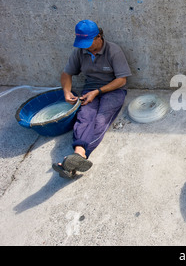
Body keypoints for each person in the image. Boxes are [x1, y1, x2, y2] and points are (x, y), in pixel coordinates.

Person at [52, 20, 132, 179]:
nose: (85, 46)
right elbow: (67, 73)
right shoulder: (79, 52)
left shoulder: (113, 51)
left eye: (88, 42)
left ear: (99, 37)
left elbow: (122, 80)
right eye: (83, 43)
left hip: (113, 90)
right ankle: (78, 158)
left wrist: (98, 91)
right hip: (89, 90)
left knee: (101, 120)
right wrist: (66, 91)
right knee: (84, 117)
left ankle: (77, 155)